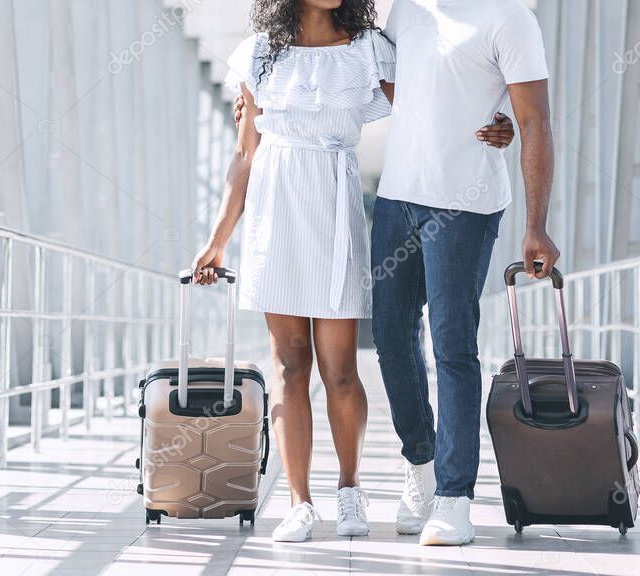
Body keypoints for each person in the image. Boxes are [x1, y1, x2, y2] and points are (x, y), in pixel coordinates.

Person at [191, 0, 514, 543]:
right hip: (276, 212)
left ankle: (349, 490)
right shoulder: (260, 54)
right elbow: (246, 155)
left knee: (339, 367)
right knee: (291, 367)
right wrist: (217, 241)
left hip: (334, 202)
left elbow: (431, 109)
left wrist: (498, 125)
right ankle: (299, 502)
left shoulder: (370, 49)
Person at [371, 0, 558, 546]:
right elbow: (394, 86)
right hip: (396, 199)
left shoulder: (510, 18)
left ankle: (455, 498)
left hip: (465, 205)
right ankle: (422, 467)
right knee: (389, 335)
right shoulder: (402, 11)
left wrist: (536, 227)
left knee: (453, 345)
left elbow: (535, 121)